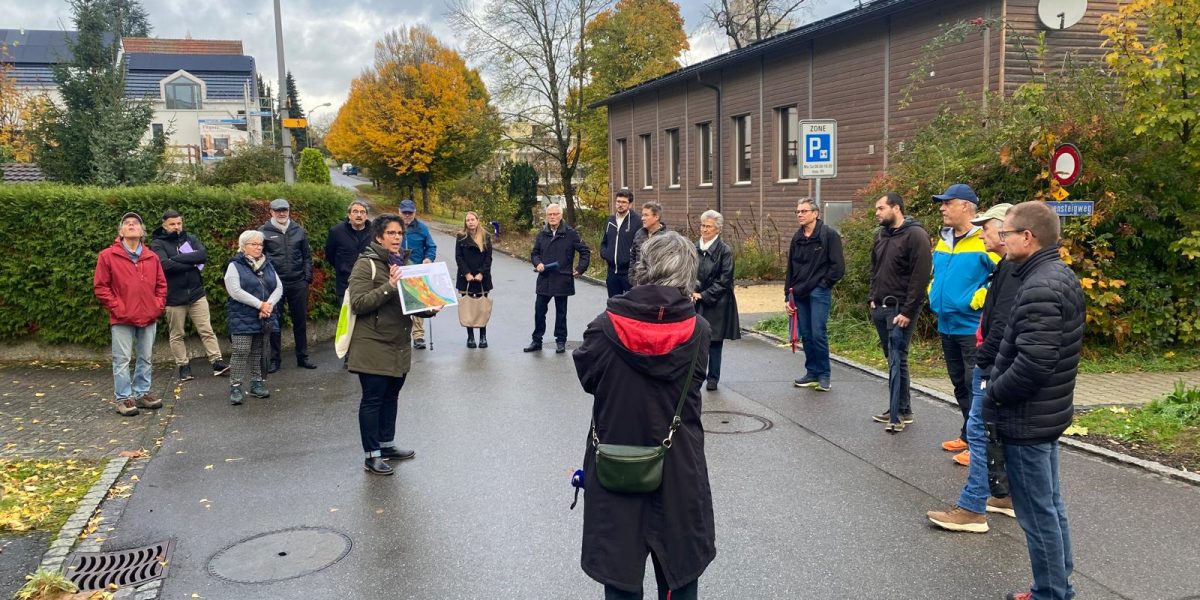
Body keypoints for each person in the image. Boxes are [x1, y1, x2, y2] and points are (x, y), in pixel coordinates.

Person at [572, 231, 715, 600]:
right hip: (678, 465)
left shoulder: (604, 328)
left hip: (615, 464)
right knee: (679, 577)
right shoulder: (698, 331)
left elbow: (588, 378)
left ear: (642, 268)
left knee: (620, 578)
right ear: (687, 275)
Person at [985, 202, 1084, 600]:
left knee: (1037, 513)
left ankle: (1051, 594)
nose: (1002, 241)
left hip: (1027, 417)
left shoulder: (1041, 285)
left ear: (1028, 237)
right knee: (1050, 505)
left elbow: (1035, 363)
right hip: (1045, 413)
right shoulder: (1057, 274)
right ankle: (1057, 585)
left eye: (1006, 234)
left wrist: (993, 393)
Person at [927, 203, 1019, 532]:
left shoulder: (1012, 269)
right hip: (976, 345)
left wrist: (984, 356)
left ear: (1009, 232)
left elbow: (1003, 322)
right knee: (991, 430)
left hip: (988, 355)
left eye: (989, 228)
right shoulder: (1009, 267)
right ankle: (1002, 496)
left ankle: (972, 508)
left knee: (981, 432)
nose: (983, 232)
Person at [347, 214, 439, 476]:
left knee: (391, 396)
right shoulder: (366, 265)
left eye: (399, 233)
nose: (397, 237)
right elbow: (359, 303)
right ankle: (372, 455)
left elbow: (413, 303)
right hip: (372, 343)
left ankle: (386, 445)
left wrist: (431, 308)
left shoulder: (406, 263)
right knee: (373, 400)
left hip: (398, 342)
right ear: (379, 236)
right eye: (391, 233)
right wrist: (389, 285)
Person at [929, 183, 999, 463]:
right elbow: (935, 273)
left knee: (974, 384)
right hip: (946, 323)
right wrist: (932, 291)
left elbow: (1002, 274)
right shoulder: (943, 238)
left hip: (971, 325)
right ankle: (967, 434)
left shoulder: (983, 239)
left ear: (966, 207)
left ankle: (978, 445)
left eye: (948, 203)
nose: (942, 208)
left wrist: (978, 298)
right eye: (942, 203)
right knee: (959, 383)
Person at [867, 193, 931, 431]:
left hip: (900, 309)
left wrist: (907, 310)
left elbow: (920, 276)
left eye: (881, 208)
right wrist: (871, 297)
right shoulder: (881, 235)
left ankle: (901, 411)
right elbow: (875, 268)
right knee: (892, 359)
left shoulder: (916, 235)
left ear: (896, 208)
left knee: (898, 357)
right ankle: (900, 407)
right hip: (880, 307)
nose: (877, 212)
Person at [93, 212, 166, 416]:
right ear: (121, 231)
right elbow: (101, 287)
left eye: (136, 223)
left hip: (148, 316)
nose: (132, 225)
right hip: (122, 318)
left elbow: (161, 285)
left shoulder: (152, 257)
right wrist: (118, 307)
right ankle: (124, 398)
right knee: (122, 360)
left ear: (142, 231)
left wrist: (156, 306)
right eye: (127, 223)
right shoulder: (107, 256)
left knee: (146, 357)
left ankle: (142, 394)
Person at [151, 210, 230, 382]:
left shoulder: (191, 238)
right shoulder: (157, 244)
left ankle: (217, 362)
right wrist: (190, 262)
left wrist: (177, 259)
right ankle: (183, 366)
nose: (177, 227)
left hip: (196, 294)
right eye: (172, 224)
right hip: (174, 297)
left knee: (207, 330)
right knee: (177, 334)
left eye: (179, 223)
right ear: (164, 225)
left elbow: (202, 256)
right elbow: (165, 266)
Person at [785, 198, 844, 392]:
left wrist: (823, 284)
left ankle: (824, 375)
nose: (800, 214)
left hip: (819, 292)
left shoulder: (828, 235)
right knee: (807, 334)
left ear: (815, 213)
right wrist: (788, 296)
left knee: (818, 333)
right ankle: (811, 372)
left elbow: (838, 267)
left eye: (804, 211)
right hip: (800, 293)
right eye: (797, 211)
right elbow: (791, 269)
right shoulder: (797, 238)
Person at [223, 231, 282, 406]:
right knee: (241, 351)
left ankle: (257, 383)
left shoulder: (268, 264)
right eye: (253, 244)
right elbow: (235, 291)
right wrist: (260, 305)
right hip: (242, 314)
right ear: (243, 247)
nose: (258, 247)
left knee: (259, 350)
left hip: (264, 315)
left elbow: (278, 287)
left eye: (260, 244)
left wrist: (268, 305)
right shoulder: (235, 265)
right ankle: (235, 386)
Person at [259, 198, 317, 372]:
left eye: (284, 210)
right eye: (278, 210)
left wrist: (307, 277)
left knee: (300, 321)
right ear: (271, 212)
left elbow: (307, 256)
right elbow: (259, 257)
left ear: (289, 210)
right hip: (275, 286)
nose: (282, 213)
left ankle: (302, 357)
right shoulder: (263, 231)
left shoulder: (298, 230)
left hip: (297, 283)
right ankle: (275, 360)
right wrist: (266, 280)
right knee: (275, 323)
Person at [524, 203, 590, 354]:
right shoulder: (542, 235)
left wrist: (580, 268)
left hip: (562, 278)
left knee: (561, 313)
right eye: (550, 215)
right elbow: (534, 253)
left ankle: (561, 341)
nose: (552, 217)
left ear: (561, 216)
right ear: (546, 216)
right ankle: (537, 340)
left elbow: (585, 251)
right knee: (539, 311)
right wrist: (538, 263)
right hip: (544, 279)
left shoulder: (570, 234)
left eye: (555, 214)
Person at [691, 210, 740, 391]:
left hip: (718, 302)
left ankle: (713, 378)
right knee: (695, 340)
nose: (704, 229)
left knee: (715, 342)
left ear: (717, 229)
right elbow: (689, 271)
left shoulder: (725, 251)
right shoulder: (694, 248)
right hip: (695, 299)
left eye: (708, 226)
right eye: (703, 225)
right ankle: (696, 375)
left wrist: (704, 294)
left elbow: (725, 280)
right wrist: (692, 290)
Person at [399, 199, 437, 350]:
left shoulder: (422, 228)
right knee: (400, 303)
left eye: (410, 213)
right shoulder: (394, 226)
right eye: (404, 213)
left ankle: (418, 335)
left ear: (414, 212)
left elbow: (431, 246)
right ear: (399, 211)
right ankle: (401, 334)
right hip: (398, 269)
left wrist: (428, 258)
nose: (407, 215)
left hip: (416, 270)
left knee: (417, 302)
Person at [455, 210, 493, 349]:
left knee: (482, 307)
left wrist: (481, 273)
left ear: (478, 220)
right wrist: (467, 274)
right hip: (466, 278)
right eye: (468, 220)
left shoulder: (485, 236)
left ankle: (483, 336)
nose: (470, 222)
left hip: (482, 278)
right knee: (468, 307)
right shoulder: (461, 237)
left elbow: (488, 257)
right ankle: (470, 337)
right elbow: (458, 257)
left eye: (472, 219)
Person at [325, 199, 373, 301]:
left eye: (362, 212)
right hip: (345, 283)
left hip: (369, 283)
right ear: (349, 215)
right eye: (355, 212)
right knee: (346, 316)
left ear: (366, 215)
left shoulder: (375, 232)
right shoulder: (336, 231)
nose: (359, 215)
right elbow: (330, 254)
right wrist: (342, 266)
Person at [599, 189, 642, 297]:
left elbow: (641, 245)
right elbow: (604, 241)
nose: (620, 205)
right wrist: (605, 253)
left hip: (628, 273)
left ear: (630, 204)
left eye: (624, 202)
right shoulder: (610, 220)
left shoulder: (637, 221)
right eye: (618, 201)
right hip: (612, 272)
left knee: (631, 306)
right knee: (613, 305)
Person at [628, 200, 667, 269]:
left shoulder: (666, 238)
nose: (642, 218)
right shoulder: (639, 234)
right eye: (642, 215)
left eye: (646, 215)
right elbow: (632, 258)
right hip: (638, 279)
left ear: (656, 217)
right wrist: (632, 278)